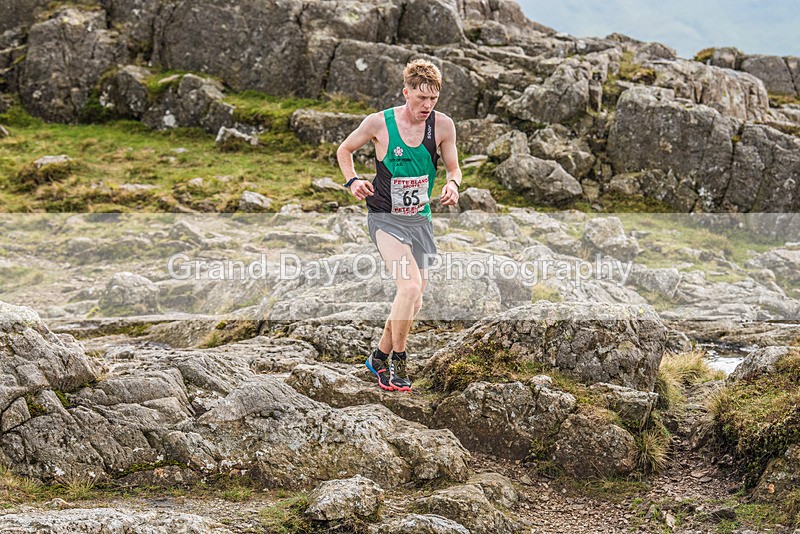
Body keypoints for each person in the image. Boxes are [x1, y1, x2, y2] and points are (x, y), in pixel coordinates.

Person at [336, 59, 462, 392]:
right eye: (421, 98)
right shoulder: (379, 123)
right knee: (408, 288)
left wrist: (453, 184)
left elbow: (454, 168)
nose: (427, 105)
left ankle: (378, 357)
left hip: (420, 220)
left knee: (415, 300)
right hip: (385, 218)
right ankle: (399, 362)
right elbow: (344, 149)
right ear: (406, 93)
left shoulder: (443, 126)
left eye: (433, 98)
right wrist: (352, 181)